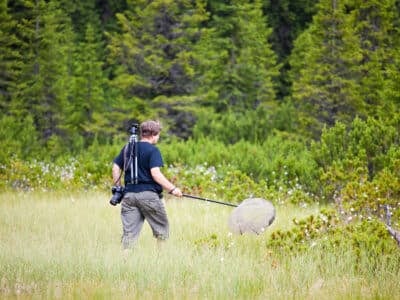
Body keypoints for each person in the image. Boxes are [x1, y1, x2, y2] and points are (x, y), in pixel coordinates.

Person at [112, 120, 182, 250]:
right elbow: (155, 173)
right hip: (149, 196)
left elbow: (116, 167)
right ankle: (161, 261)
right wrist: (173, 189)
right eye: (158, 134)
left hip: (129, 196)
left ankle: (124, 265)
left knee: (129, 236)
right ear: (154, 134)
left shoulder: (128, 147)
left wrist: (118, 187)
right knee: (161, 230)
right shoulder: (153, 150)